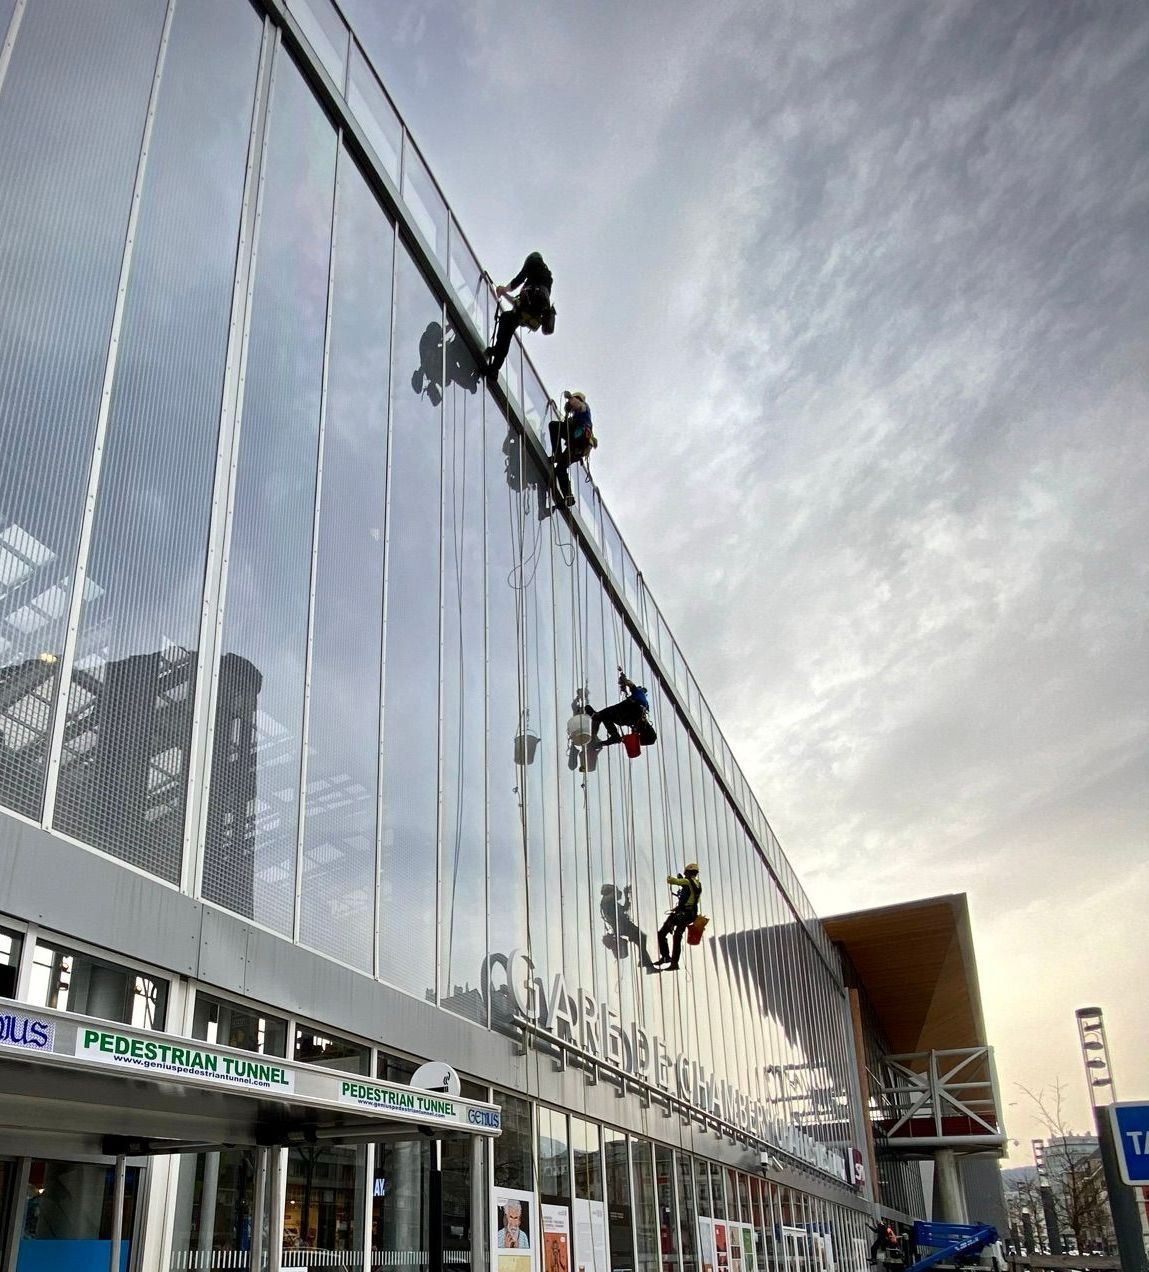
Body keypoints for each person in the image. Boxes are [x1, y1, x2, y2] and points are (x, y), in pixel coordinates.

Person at [485, 251, 554, 375]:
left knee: (506, 320)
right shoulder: (545, 279)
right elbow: (518, 304)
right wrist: (504, 293)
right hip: (533, 314)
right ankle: (495, 368)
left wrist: (504, 289)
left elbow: (518, 280)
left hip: (528, 307)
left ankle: (496, 355)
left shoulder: (534, 264)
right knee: (509, 324)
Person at [549, 390, 596, 506]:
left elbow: (578, 405)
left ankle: (557, 454)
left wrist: (569, 398)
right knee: (560, 468)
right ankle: (568, 496)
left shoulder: (584, 408)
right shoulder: (575, 417)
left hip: (578, 439)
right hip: (577, 447)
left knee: (554, 426)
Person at [655, 863, 701, 971]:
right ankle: (674, 963)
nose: (685, 875)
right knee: (677, 937)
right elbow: (689, 890)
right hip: (690, 914)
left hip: (682, 914)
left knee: (662, 933)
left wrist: (670, 877)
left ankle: (666, 957)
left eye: (686, 873)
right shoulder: (698, 884)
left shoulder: (687, 881)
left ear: (689, 872)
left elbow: (672, 881)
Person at [591, 669, 651, 747]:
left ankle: (610, 734)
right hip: (629, 720)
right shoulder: (646, 703)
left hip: (626, 710)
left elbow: (630, 684)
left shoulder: (638, 692)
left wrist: (624, 680)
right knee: (607, 716)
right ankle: (614, 736)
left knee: (603, 714)